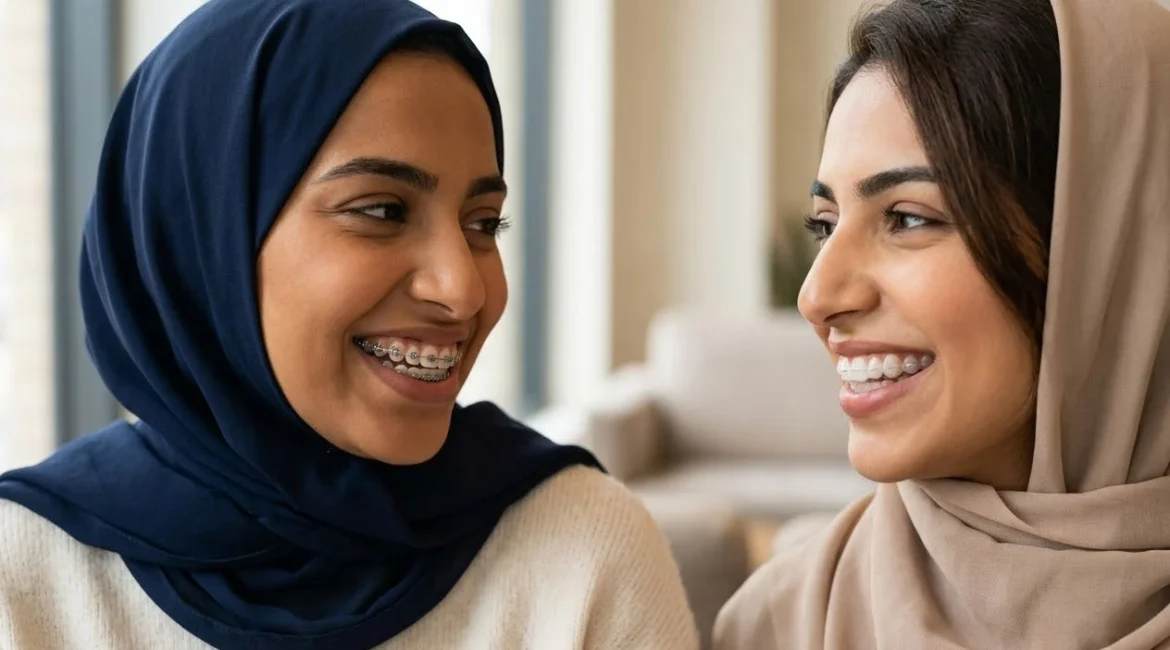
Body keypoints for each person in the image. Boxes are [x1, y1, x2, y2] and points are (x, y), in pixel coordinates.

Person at [0, 1, 699, 648]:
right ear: (201, 243)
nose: (462, 290)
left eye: (483, 223)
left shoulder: (583, 553)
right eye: (383, 211)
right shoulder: (22, 576)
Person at [714, 0, 1170, 647]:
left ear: (1107, 252)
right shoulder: (784, 624)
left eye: (907, 217)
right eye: (824, 225)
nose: (816, 296)